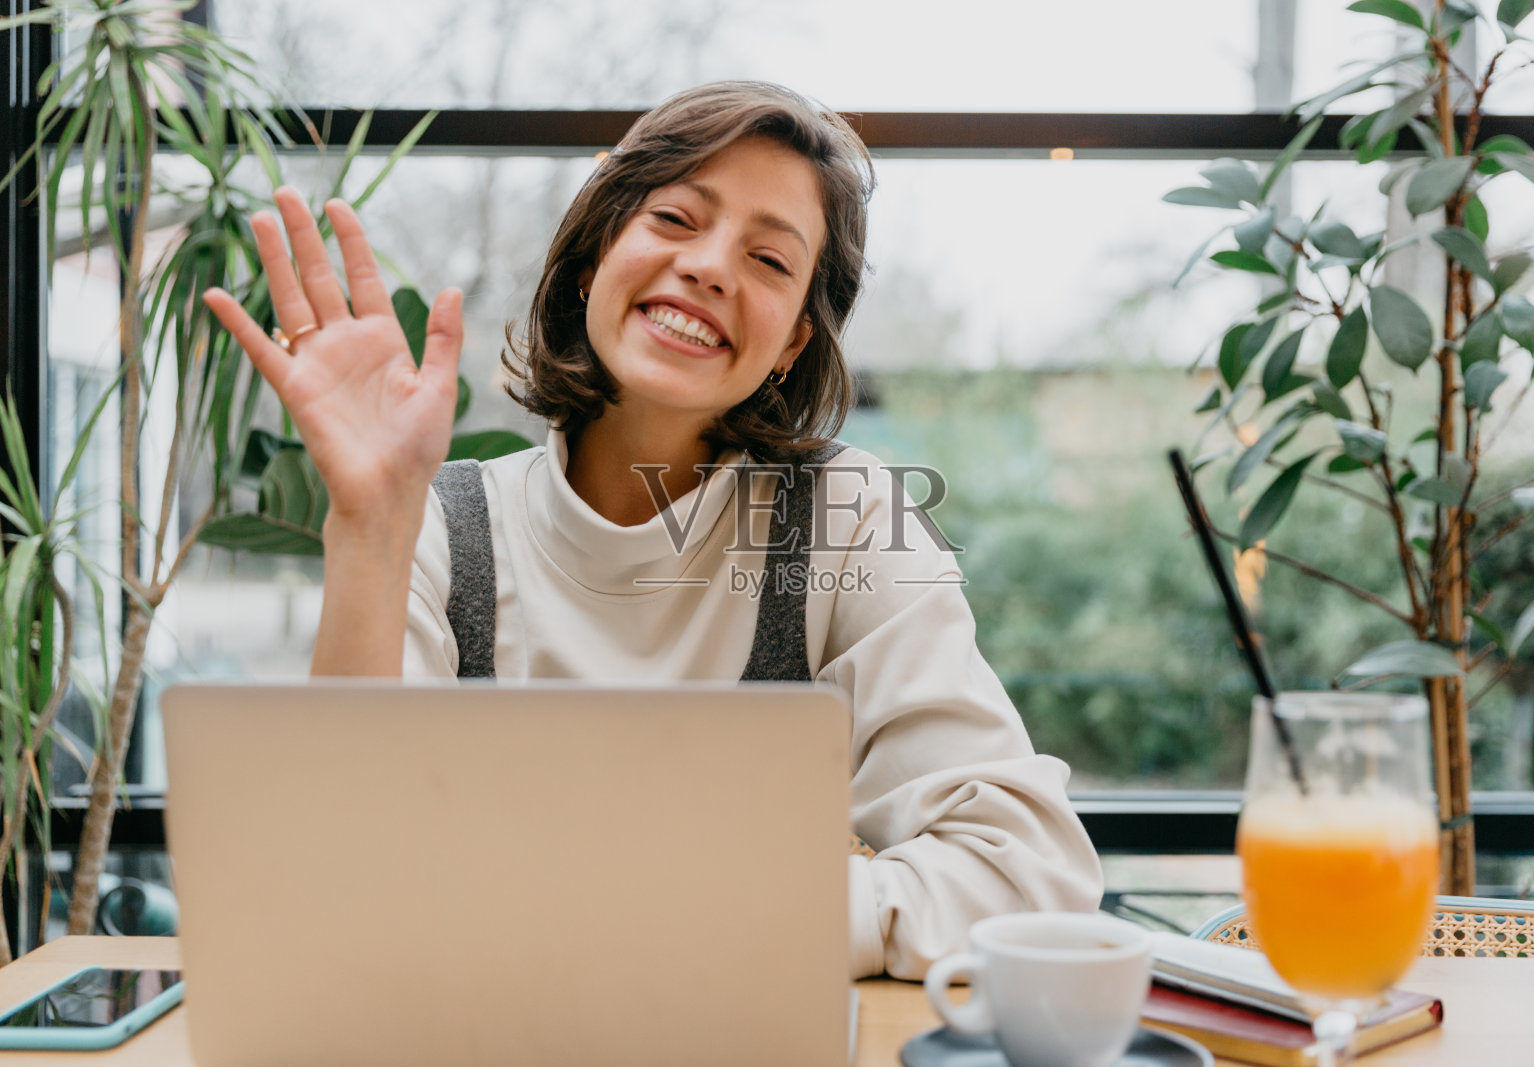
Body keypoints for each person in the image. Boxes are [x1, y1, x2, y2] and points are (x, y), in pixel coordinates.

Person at [203, 81, 1102, 980]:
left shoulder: (847, 516)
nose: (711, 266)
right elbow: (339, 877)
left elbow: (1025, 870)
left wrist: (731, 919)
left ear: (792, 341)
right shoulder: (436, 522)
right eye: (675, 217)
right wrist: (371, 524)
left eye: (770, 261)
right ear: (596, 255)